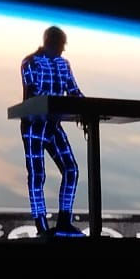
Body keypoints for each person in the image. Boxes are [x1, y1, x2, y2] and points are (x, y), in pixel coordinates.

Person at [19, 26, 86, 237]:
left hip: (53, 126)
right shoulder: (30, 62)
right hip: (33, 125)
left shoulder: (64, 65)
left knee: (71, 170)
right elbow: (33, 94)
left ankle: (64, 221)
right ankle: (41, 226)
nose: (63, 49)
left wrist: (88, 109)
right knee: (37, 175)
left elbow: (74, 91)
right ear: (51, 41)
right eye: (61, 44)